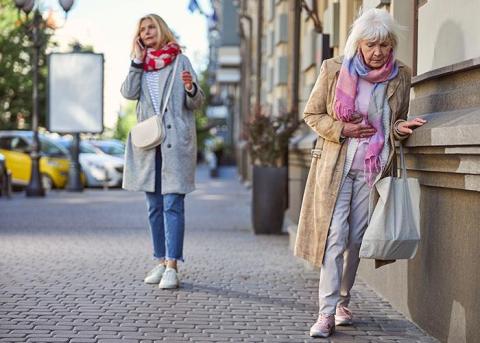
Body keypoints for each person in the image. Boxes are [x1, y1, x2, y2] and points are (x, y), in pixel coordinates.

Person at [294, 9, 426, 338]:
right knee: (335, 238)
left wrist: (400, 128)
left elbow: (392, 122)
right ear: (359, 44)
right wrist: (343, 129)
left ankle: (342, 301)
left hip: (372, 170)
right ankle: (325, 314)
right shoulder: (334, 69)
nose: (378, 52)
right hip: (335, 168)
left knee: (355, 239)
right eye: (371, 45)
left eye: (384, 45)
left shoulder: (400, 75)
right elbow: (312, 114)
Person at [120, 14, 204, 289]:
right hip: (148, 145)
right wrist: (135, 61)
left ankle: (172, 266)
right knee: (153, 206)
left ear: (161, 30)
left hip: (175, 143)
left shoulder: (180, 59)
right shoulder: (141, 65)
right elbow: (128, 93)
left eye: (151, 27)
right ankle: (159, 261)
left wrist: (190, 88)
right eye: (142, 29)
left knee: (172, 204)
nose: (146, 32)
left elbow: (197, 101)